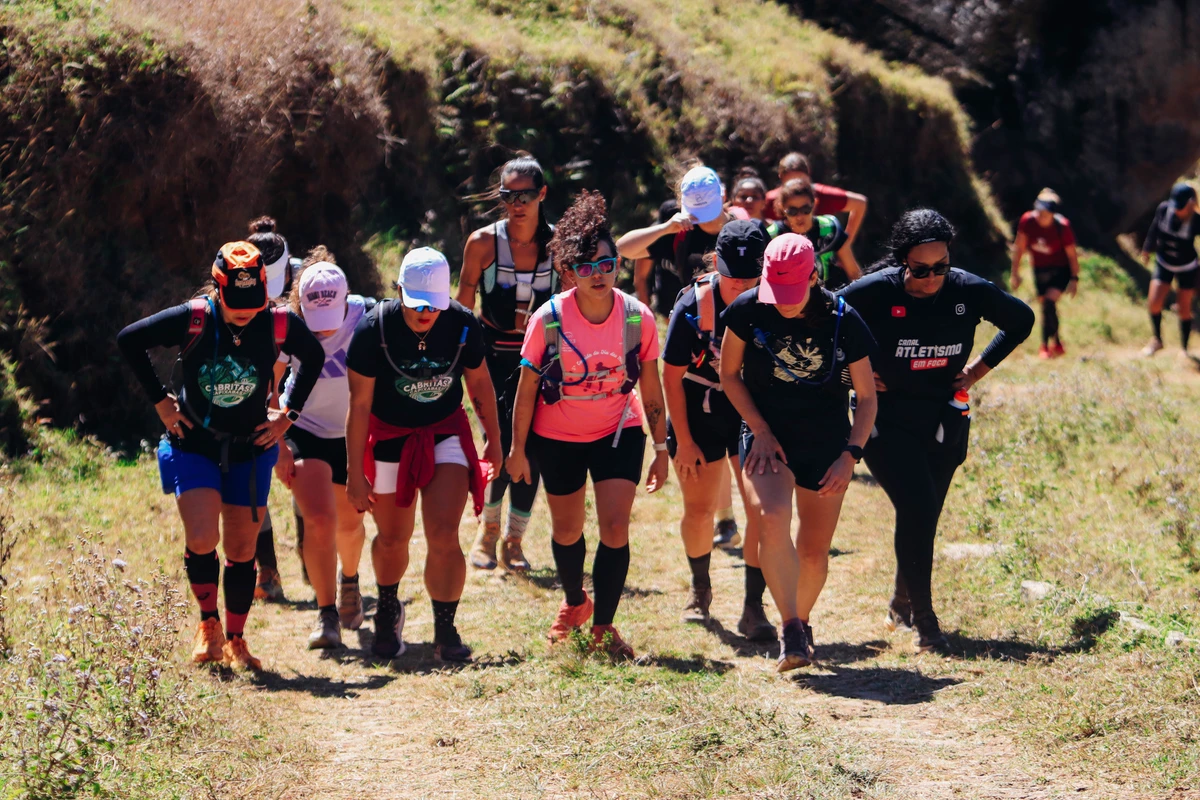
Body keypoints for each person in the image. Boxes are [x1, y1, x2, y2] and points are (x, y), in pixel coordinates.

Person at [117, 241, 324, 670]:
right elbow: (130, 340)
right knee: (201, 537)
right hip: (195, 443)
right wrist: (160, 402)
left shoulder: (279, 322)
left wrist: (289, 415)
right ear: (217, 288)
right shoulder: (194, 318)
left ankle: (236, 637)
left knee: (243, 546)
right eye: (235, 302)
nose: (245, 311)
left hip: (250, 448)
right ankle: (207, 623)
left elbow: (314, 356)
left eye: (253, 302)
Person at [840, 209, 1033, 653]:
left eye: (941, 267)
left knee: (922, 514)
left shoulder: (967, 289)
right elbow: (821, 324)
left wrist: (977, 370)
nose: (932, 278)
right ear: (902, 262)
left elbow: (1021, 320)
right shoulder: (872, 292)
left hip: (944, 417)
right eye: (921, 270)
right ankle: (925, 624)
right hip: (884, 419)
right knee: (918, 504)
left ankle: (901, 601)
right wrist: (853, 376)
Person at [508, 190, 669, 659]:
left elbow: (653, 391)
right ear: (567, 272)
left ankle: (604, 626)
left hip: (618, 430)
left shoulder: (637, 318)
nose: (598, 275)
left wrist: (661, 448)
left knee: (615, 527)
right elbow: (525, 392)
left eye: (606, 264)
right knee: (567, 531)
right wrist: (518, 450)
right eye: (585, 267)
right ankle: (576, 602)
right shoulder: (549, 320)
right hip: (556, 437)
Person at [719, 233, 878, 672]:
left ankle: (802, 623)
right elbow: (729, 375)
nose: (784, 303)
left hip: (827, 443)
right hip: (766, 434)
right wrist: (760, 428)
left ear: (814, 275)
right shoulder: (747, 310)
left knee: (813, 551)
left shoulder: (844, 318)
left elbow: (866, 397)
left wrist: (851, 454)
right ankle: (789, 627)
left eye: (794, 292)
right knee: (770, 519)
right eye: (777, 292)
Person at [345, 247, 502, 662]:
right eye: (416, 304)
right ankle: (388, 608)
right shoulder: (372, 329)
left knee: (444, 534)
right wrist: (354, 473)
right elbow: (359, 405)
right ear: (399, 291)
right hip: (390, 434)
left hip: (444, 429)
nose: (425, 312)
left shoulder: (463, 325)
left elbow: (480, 383)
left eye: (434, 304)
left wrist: (495, 438)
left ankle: (445, 629)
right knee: (393, 536)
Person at [662, 220, 775, 641]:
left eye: (752, 278)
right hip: (701, 409)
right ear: (716, 265)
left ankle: (753, 606)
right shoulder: (693, 306)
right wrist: (685, 441)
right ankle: (700, 588)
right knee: (699, 508)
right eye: (733, 278)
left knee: (760, 509)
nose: (742, 286)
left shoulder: (778, 300)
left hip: (752, 411)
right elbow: (671, 378)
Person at [457, 155, 557, 573]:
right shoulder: (482, 242)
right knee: (496, 443)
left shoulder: (558, 245)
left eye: (526, 195)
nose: (517, 204)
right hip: (490, 359)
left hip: (542, 362)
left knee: (532, 449)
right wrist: (454, 356)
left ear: (542, 194)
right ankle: (488, 532)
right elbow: (463, 302)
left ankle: (515, 540)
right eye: (508, 196)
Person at [272, 250, 371, 649]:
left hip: (352, 433)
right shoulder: (286, 324)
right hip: (304, 428)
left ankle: (350, 580)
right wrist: (277, 442)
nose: (325, 332)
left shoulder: (366, 316)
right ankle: (325, 613)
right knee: (317, 520)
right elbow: (270, 380)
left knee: (349, 524)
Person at [246, 216, 296, 601]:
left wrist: (288, 414)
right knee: (255, 487)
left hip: (303, 393)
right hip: (257, 395)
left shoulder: (303, 283)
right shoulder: (236, 281)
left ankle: (314, 561)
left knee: (302, 478)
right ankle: (269, 571)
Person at [617, 166, 738, 319]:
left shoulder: (743, 230)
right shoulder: (680, 233)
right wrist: (665, 228)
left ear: (723, 195)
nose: (704, 219)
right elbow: (622, 249)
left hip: (736, 327)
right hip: (696, 329)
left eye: (707, 208)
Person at [1010, 189, 1080, 358]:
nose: (1040, 217)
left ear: (1052, 214)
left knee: (1049, 302)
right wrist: (1015, 272)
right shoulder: (1028, 221)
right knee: (1046, 308)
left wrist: (1074, 279)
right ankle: (1055, 343)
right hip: (1039, 270)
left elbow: (1072, 254)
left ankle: (1045, 346)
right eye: (1038, 212)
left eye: (1044, 214)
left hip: (1060, 270)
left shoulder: (1062, 226)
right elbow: (1019, 247)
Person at [1140, 183, 1200, 357]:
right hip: (1164, 262)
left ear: (1190, 204)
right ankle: (1157, 340)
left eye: (1180, 207)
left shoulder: (1196, 221)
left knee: (1184, 308)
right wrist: (1146, 249)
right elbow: (1154, 230)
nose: (1176, 210)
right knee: (1154, 303)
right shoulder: (1164, 209)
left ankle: (1184, 348)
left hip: (1187, 267)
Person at [767, 178, 862, 288]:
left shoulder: (830, 227)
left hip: (830, 294)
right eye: (792, 211)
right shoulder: (773, 236)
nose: (799, 216)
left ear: (815, 203)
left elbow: (854, 272)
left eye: (805, 209)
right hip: (788, 298)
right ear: (782, 208)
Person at [762, 152, 868, 250]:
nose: (797, 187)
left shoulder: (823, 195)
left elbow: (860, 203)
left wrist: (846, 243)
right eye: (792, 211)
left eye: (806, 209)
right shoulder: (768, 201)